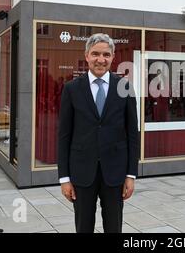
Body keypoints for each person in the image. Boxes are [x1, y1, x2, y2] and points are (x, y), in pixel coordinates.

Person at [58, 33, 139, 233]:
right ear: (86, 56)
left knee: (114, 226)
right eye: (95, 54)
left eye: (106, 54)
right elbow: (64, 135)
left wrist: (131, 175)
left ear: (113, 57)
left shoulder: (125, 86)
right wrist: (64, 178)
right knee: (83, 226)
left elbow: (132, 134)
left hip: (115, 172)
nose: (100, 60)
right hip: (82, 172)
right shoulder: (72, 89)